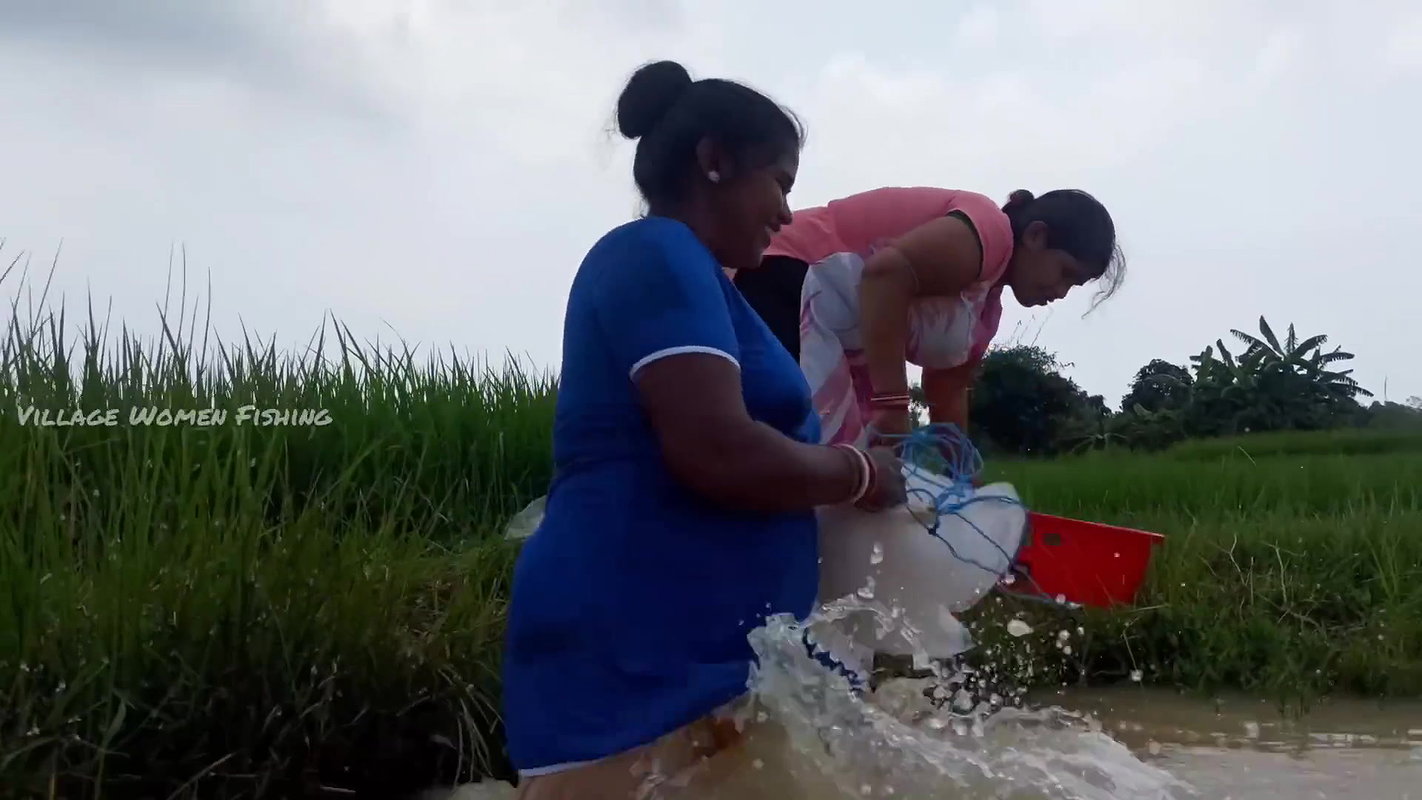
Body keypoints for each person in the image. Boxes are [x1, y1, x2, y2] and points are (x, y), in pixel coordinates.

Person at [500, 60, 907, 799]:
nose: (787, 211)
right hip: (635, 662)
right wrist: (859, 473)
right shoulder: (655, 253)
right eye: (780, 181)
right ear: (714, 160)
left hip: (704, 659)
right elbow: (716, 451)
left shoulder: (712, 288)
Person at [730, 186, 1126, 452]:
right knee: (802, 455)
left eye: (1075, 286)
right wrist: (893, 404)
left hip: (841, 335)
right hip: (787, 278)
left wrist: (965, 484)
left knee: (867, 470)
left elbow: (948, 393)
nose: (1060, 293)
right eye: (1065, 273)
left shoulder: (984, 312)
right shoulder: (989, 233)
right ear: (1036, 236)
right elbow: (886, 275)